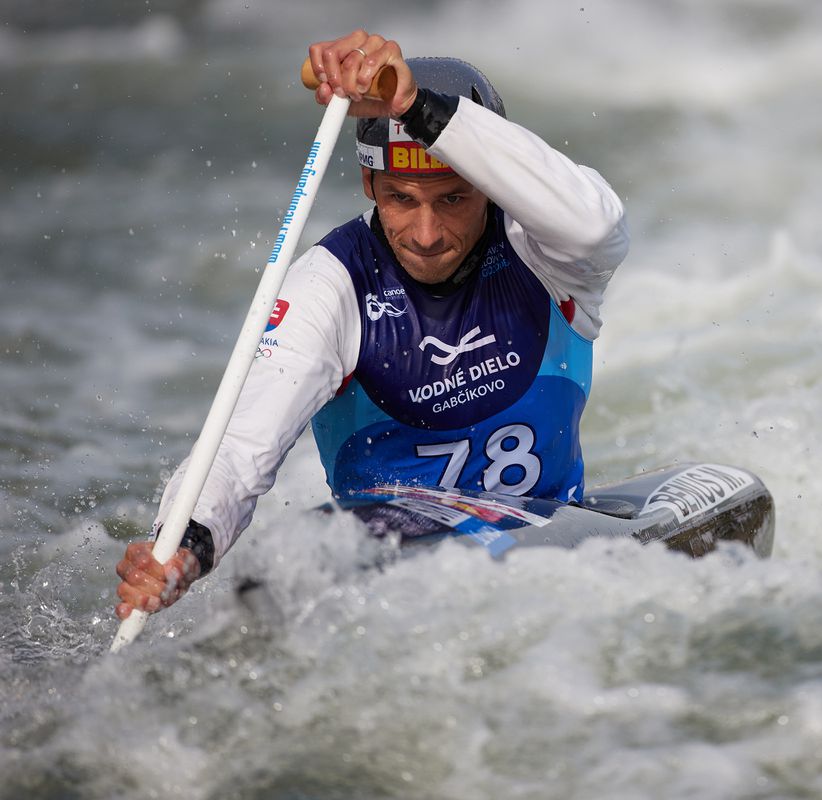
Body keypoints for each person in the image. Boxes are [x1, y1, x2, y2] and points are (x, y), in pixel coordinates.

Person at [114, 30, 629, 620]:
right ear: (368, 185)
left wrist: (416, 108)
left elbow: (594, 224)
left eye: (454, 200)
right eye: (401, 198)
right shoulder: (329, 286)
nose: (427, 234)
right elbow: (238, 447)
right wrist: (184, 545)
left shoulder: (549, 255)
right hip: (394, 569)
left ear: (489, 187)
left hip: (552, 538)